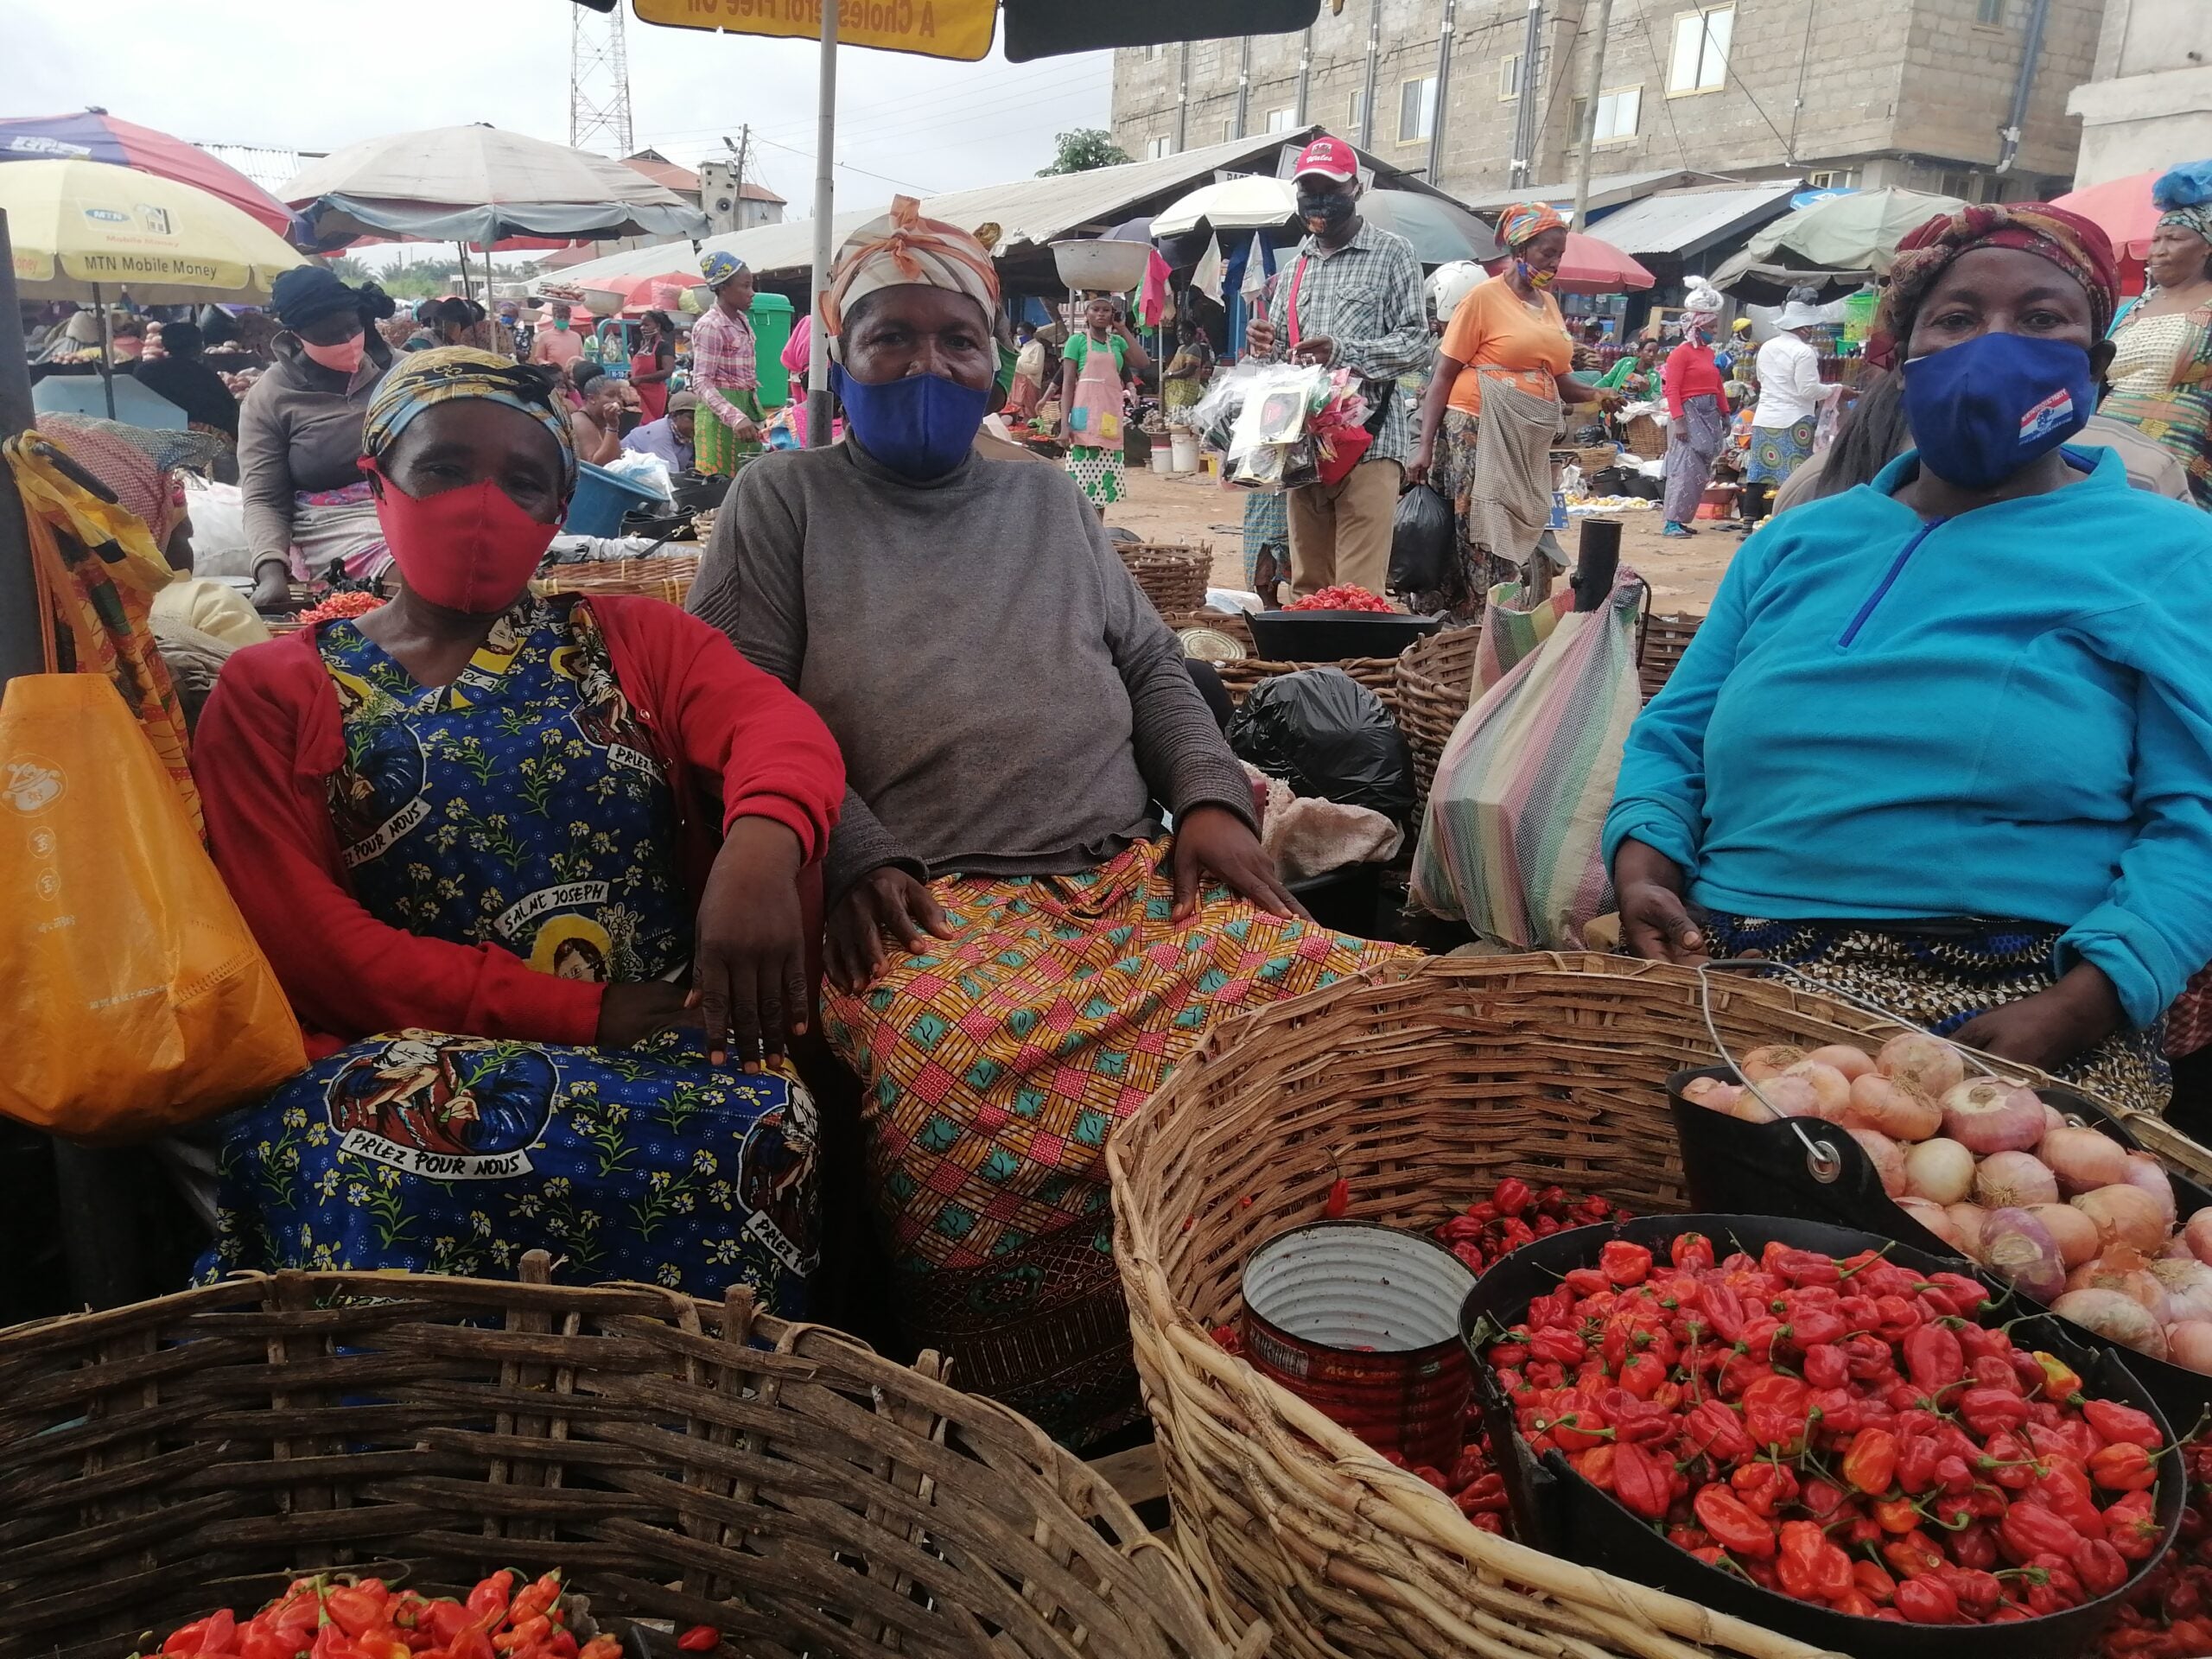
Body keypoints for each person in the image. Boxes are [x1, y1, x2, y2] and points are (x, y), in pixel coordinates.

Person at [689, 196, 1405, 1443]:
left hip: (1129, 880)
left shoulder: (1050, 502)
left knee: (1345, 1004)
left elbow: (1151, 668)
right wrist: (849, 849)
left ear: (993, 357)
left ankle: (1259, 1328)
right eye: (891, 338)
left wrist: (1210, 801)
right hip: (924, 902)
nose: (926, 365)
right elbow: (736, 703)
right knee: (962, 1086)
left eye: (956, 340)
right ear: (839, 356)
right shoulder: (783, 499)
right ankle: (1045, 1412)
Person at [192, 347, 846, 1302]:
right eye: (445, 468)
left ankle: (692, 1393)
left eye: (524, 482)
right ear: (378, 481)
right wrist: (581, 1013)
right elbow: (309, 942)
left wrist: (761, 846)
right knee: (373, 1150)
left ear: (557, 510)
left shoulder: (636, 640)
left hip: (660, 1037)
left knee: (760, 1125)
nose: (483, 503)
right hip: (399, 1055)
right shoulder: (275, 689)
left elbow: (776, 730)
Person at [1605, 202, 2212, 1115]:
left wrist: (2085, 1001)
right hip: (1727, 967)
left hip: (2011, 994)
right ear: (1901, 356)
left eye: (2041, 318)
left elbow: (2197, 818)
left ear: (2094, 366)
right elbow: (1675, 735)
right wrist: (1645, 862)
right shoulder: (1797, 542)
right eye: (1956, 319)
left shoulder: (2170, 553)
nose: (1993, 346)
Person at [1245, 135, 1428, 600]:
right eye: (1309, 189)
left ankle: (1352, 651)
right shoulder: (1294, 269)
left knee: (1358, 591)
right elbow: (1286, 358)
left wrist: (1342, 352)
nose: (1319, 200)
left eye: (1330, 188)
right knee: (1308, 586)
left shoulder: (1393, 254)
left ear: (1356, 189)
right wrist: (1265, 346)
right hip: (1306, 447)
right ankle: (1311, 650)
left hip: (1370, 443)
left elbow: (1416, 345)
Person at [1408, 201, 1611, 608]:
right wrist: (1424, 445)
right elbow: (1443, 375)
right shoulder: (1483, 298)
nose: (1554, 263)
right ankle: (1478, 615)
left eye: (1559, 254)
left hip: (1525, 437)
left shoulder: (1548, 304)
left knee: (1515, 522)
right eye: (1547, 253)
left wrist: (1597, 394)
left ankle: (1497, 611)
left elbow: (1558, 376)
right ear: (1520, 250)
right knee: (1480, 526)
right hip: (1476, 428)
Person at [237, 265, 397, 611]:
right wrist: (270, 571)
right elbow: (264, 498)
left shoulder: (404, 372)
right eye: (329, 336)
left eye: (352, 328)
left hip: (412, 505)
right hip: (334, 526)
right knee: (416, 578)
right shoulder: (270, 397)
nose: (347, 342)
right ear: (296, 337)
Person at [2094, 161, 2212, 512]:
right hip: (2109, 448)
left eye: (2174, 239)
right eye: (2156, 239)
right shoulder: (2130, 310)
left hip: (2182, 454)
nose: (2158, 250)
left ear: (2207, 247)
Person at [1738, 297, 1840, 530]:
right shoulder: (1804, 352)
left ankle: (1747, 524)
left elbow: (1761, 379)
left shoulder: (1767, 347)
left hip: (1765, 417)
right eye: (1810, 327)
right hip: (1794, 419)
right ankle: (1789, 524)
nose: (1812, 331)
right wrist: (1836, 390)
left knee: (1758, 474)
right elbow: (1808, 390)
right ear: (1803, 328)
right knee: (1795, 476)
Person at [1055, 295, 1148, 509]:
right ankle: (1083, 529)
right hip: (1083, 420)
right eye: (1095, 310)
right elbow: (1067, 385)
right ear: (1086, 314)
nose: (1100, 314)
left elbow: (1142, 362)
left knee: (1103, 488)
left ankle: (1098, 529)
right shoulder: (1076, 341)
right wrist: (1064, 425)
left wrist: (1122, 329)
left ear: (1112, 315)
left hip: (1109, 416)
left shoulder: (1117, 342)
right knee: (1081, 486)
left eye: (1106, 310)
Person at [1660, 287, 1729, 537]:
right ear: (1698, 327)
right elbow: (1672, 388)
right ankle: (1672, 521)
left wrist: (1725, 412)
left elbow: (1717, 384)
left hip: (1708, 412)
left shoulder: (1708, 353)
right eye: (1711, 327)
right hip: (1689, 413)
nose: (1715, 331)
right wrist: (1679, 420)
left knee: (1699, 470)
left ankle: (1682, 518)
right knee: (1684, 467)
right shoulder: (1680, 354)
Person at [691, 251, 764, 478]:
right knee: (720, 485)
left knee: (749, 480)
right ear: (723, 288)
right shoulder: (711, 326)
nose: (752, 293)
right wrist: (735, 416)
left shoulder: (742, 321)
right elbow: (701, 382)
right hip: (719, 418)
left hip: (745, 409)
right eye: (745, 286)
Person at [134, 320, 239, 442]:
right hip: (201, 441)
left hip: (150, 437)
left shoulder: (145, 371)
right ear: (198, 346)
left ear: (163, 344)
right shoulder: (205, 376)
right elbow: (230, 412)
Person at [624, 388, 698, 471]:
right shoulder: (660, 435)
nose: (697, 423)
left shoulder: (687, 434)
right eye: (692, 418)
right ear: (674, 416)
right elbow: (669, 474)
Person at [568, 363, 624, 468]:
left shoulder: (602, 419)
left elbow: (617, 457)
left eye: (620, 396)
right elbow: (597, 465)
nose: (617, 401)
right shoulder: (580, 421)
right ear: (592, 399)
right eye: (611, 395)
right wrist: (612, 427)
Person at [1160, 318, 1214, 421]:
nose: (1178, 335)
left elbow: (1188, 371)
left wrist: (1169, 375)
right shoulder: (1181, 348)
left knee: (1178, 416)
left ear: (1188, 334)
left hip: (1184, 391)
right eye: (1177, 333)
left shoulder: (1194, 349)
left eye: (1180, 332)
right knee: (1170, 416)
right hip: (1174, 390)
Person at [629, 309, 677, 423]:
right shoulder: (642, 345)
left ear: (658, 326)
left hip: (654, 396)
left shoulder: (664, 346)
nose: (642, 328)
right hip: (638, 394)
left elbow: (668, 371)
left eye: (647, 325)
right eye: (641, 325)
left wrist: (640, 379)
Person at [530, 301, 585, 372]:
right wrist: (549, 365)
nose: (563, 319)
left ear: (569, 318)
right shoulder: (545, 336)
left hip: (573, 374)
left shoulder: (576, 337)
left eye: (565, 317)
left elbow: (581, 358)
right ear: (554, 318)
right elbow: (539, 358)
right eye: (559, 317)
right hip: (554, 374)